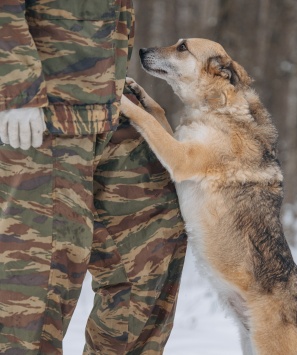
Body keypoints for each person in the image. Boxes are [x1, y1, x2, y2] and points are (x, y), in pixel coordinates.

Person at [0, 1, 187, 354]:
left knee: (153, 251)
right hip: (36, 111)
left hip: (105, 101)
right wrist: (16, 86)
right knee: (38, 286)